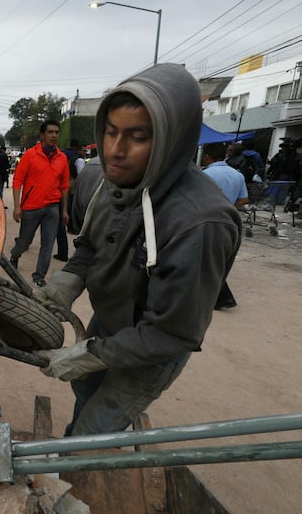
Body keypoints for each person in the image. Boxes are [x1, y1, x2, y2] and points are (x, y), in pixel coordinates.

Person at [34, 64, 242, 436]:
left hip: (154, 347)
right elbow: (90, 245)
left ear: (172, 139)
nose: (116, 150)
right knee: (85, 391)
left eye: (138, 137)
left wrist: (91, 354)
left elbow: (173, 333)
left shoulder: (199, 222)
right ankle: (74, 443)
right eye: (111, 132)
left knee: (95, 428)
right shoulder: (111, 181)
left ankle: (80, 452)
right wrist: (68, 281)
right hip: (109, 321)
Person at [10, 120, 69, 286]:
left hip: (52, 208)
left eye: (56, 132)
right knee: (24, 242)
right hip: (31, 208)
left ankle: (39, 277)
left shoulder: (62, 158)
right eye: (50, 132)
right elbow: (17, 180)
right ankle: (15, 254)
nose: (54, 135)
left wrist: (64, 210)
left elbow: (64, 185)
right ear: (42, 135)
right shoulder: (30, 155)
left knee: (48, 245)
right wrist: (17, 206)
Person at [201, 142, 248, 310]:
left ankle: (223, 298)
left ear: (207, 156)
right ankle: (221, 297)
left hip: (208, 221)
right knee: (219, 260)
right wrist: (229, 208)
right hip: (231, 223)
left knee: (206, 260)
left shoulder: (204, 175)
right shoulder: (238, 175)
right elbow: (244, 199)